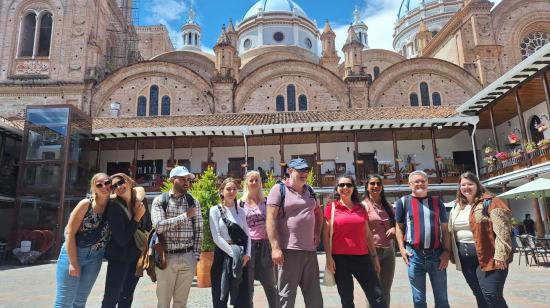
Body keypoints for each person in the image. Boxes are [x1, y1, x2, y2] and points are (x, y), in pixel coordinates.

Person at [449, 172, 512, 308]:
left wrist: (501, 255)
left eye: (470, 184)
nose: (466, 187)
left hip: (489, 256)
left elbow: (503, 231)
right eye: (463, 185)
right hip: (465, 259)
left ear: (477, 185)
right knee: (479, 294)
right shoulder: (457, 206)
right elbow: (451, 231)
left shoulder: (491, 202)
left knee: (491, 294)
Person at [266, 158, 323, 308]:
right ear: (290, 171)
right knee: (286, 298)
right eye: (300, 170)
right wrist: (275, 248)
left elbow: (318, 213)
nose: (304, 173)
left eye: (306, 170)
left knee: (314, 297)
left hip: (310, 252)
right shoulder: (278, 189)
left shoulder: (310, 190)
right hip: (288, 252)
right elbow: (270, 219)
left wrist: (317, 232)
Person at [324, 175, 386, 308]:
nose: (345, 188)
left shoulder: (361, 208)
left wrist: (374, 257)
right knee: (347, 300)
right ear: (337, 188)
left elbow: (368, 234)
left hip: (362, 258)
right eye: (341, 185)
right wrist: (329, 258)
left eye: (348, 185)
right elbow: (326, 234)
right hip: (340, 260)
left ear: (353, 188)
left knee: (378, 296)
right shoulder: (331, 207)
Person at [395, 170, 451, 308]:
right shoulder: (403, 202)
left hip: (436, 255)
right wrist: (402, 249)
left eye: (423, 181)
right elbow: (399, 228)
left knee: (442, 298)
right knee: (419, 299)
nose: (420, 184)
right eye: (416, 181)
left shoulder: (438, 202)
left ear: (427, 183)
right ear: (410, 184)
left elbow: (445, 229)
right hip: (414, 256)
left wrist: (446, 252)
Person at [55, 173, 111, 308]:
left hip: (96, 257)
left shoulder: (113, 204)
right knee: (64, 302)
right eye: (99, 185)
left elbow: (137, 191)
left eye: (107, 182)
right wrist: (73, 263)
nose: (104, 186)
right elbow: (69, 233)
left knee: (80, 301)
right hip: (75, 254)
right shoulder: (86, 204)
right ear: (94, 188)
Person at [151, 166, 203, 308]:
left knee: (181, 304)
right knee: (163, 303)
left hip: (188, 257)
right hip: (166, 258)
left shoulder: (193, 202)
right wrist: (184, 216)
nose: (186, 182)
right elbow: (159, 226)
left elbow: (199, 230)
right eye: (182, 179)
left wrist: (195, 256)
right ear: (172, 180)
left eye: (188, 179)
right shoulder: (160, 201)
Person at [102, 173, 151, 308]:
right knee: (111, 297)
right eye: (114, 186)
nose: (119, 186)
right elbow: (122, 239)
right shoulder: (114, 206)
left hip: (136, 256)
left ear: (129, 181)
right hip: (118, 257)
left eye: (121, 182)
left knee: (127, 296)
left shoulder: (141, 200)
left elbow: (148, 226)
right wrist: (136, 218)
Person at [209, 178, 251, 308]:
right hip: (222, 254)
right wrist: (233, 253)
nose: (232, 191)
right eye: (228, 189)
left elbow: (247, 235)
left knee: (242, 296)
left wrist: (247, 255)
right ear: (221, 191)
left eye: (234, 189)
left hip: (241, 255)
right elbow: (216, 237)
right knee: (220, 294)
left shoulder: (241, 211)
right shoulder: (214, 210)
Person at [239, 170, 278, 308]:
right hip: (248, 247)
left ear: (261, 182)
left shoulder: (267, 202)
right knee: (248, 287)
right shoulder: (240, 204)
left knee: (270, 285)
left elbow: (274, 223)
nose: (254, 183)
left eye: (257, 180)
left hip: (265, 246)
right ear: (246, 183)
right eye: (251, 180)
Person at [362, 175, 396, 308]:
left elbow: (397, 223)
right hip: (372, 252)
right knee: (372, 289)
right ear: (367, 186)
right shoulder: (363, 206)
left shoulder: (387, 205)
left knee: (386, 290)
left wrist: (394, 228)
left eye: (378, 184)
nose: (375, 186)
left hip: (389, 251)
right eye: (372, 183)